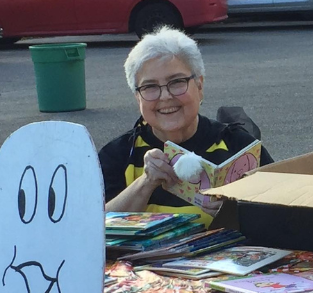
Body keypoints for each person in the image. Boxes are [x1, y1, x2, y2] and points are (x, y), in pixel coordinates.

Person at [98, 26, 274, 227]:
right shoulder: (118, 155)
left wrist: (239, 212)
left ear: (199, 86)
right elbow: (90, 230)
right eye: (150, 87)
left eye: (177, 82)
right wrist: (145, 183)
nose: (165, 96)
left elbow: (285, 214)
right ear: (137, 97)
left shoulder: (238, 146)